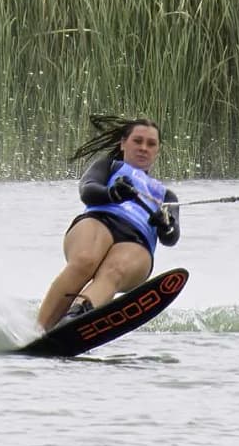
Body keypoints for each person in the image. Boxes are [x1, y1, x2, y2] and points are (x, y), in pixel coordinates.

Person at [39, 115, 179, 332]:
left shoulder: (166, 194)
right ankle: (38, 330)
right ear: (123, 143)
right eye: (137, 141)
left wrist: (164, 224)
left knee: (113, 271)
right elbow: (87, 191)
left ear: (157, 151)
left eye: (151, 144)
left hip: (137, 241)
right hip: (99, 221)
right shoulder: (110, 167)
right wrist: (112, 193)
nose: (144, 148)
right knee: (86, 259)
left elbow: (171, 237)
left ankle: (75, 317)